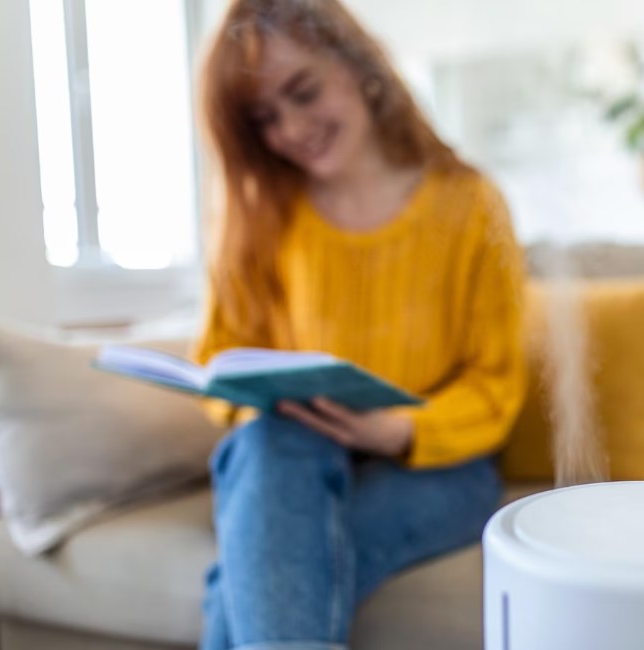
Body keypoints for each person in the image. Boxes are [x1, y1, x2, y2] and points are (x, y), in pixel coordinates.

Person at [192, 1, 527, 649]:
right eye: (264, 117)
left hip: (438, 464)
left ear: (357, 63)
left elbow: (497, 385)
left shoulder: (471, 205)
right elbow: (222, 357)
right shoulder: (261, 216)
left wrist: (396, 429)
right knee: (269, 448)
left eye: (303, 91)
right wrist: (270, 402)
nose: (291, 128)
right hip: (294, 453)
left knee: (258, 573)